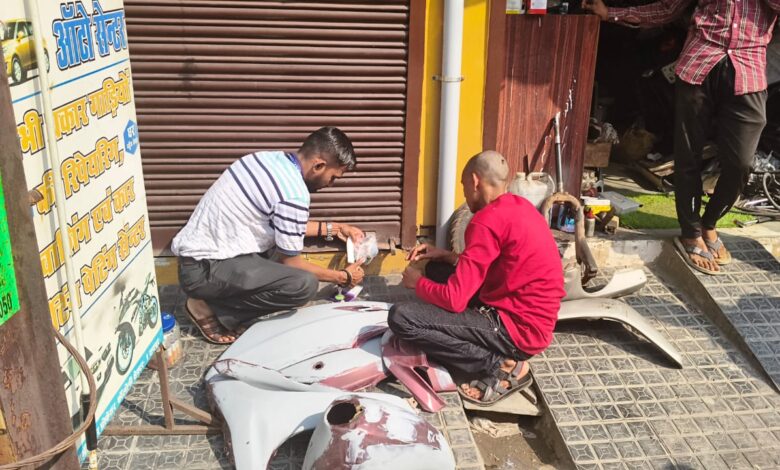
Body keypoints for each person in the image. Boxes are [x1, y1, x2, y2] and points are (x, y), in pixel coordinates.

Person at [584, 0, 777, 275]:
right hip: (700, 64)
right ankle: (691, 231)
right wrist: (612, 14)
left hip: (747, 70)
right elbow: (669, 8)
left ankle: (709, 223)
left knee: (740, 163)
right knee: (688, 155)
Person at [388, 151, 565, 405]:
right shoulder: (519, 206)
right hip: (532, 317)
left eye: (463, 186)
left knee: (401, 318)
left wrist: (417, 284)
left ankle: (500, 366)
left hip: (517, 332)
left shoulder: (484, 221)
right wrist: (445, 255)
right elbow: (494, 263)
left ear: (474, 181)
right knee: (437, 270)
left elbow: (454, 300)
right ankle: (496, 352)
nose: (463, 194)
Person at [172, 127, 366, 344]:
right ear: (319, 165)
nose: (330, 185)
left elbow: (286, 225)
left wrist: (336, 228)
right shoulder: (293, 194)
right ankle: (207, 307)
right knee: (303, 285)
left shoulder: (265, 159)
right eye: (333, 178)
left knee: (281, 247)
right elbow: (292, 262)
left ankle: (215, 299)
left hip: (200, 260)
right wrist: (343, 277)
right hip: (203, 271)